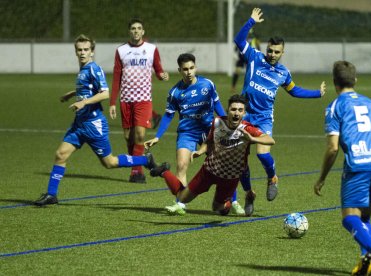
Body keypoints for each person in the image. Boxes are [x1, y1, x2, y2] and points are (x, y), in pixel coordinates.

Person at [34, 34, 158, 207]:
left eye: (86, 49)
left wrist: (84, 102)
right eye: (79, 50)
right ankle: (51, 194)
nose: (83, 53)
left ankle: (145, 160)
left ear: (92, 52)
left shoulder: (93, 68)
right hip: (79, 124)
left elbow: (105, 93)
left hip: (94, 125)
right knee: (60, 154)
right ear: (76, 52)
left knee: (110, 162)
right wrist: (72, 94)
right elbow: (88, 89)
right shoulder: (83, 70)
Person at [234, 8, 327, 216]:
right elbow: (238, 40)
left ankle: (272, 177)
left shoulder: (283, 73)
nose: (272, 54)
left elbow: (294, 91)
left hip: (264, 118)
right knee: (239, 163)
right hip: (244, 116)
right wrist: (250, 22)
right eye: (270, 50)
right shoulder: (254, 57)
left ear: (282, 53)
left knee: (262, 153)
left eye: (277, 52)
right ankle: (249, 194)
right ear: (266, 49)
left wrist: (317, 94)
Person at [314, 61, 371, 275]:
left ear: (334, 83)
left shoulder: (335, 106)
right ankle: (366, 261)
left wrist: (321, 178)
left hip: (359, 165)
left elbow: (333, 148)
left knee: (350, 218)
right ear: (355, 80)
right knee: (364, 218)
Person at [144, 53, 245, 216]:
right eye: (185, 69)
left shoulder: (207, 84)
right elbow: (169, 115)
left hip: (209, 129)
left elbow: (217, 105)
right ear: (180, 70)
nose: (189, 72)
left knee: (225, 166)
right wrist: (158, 136)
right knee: (182, 166)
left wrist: (226, 124)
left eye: (191, 68)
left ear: (195, 67)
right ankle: (180, 204)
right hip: (187, 132)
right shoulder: (175, 92)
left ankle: (232, 201)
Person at [149, 94, 275, 215]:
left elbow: (270, 140)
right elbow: (209, 141)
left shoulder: (247, 129)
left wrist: (253, 139)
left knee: (216, 207)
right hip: (209, 171)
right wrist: (200, 151)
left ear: (244, 113)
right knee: (182, 198)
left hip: (230, 177)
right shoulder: (217, 122)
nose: (236, 113)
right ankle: (164, 171)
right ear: (227, 111)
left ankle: (229, 204)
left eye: (240, 110)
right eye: (233, 109)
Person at [110, 17, 169, 183]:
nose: (136, 31)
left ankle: (137, 172)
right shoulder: (121, 50)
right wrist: (112, 102)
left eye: (139, 28)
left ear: (143, 31)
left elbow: (158, 70)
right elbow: (116, 77)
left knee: (140, 136)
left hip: (144, 100)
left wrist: (162, 75)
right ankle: (137, 165)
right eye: (133, 28)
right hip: (126, 100)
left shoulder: (151, 49)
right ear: (129, 31)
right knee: (128, 137)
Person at [231, 29, 260, 93]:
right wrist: (235, 54)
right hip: (241, 57)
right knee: (237, 71)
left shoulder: (255, 40)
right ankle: (233, 86)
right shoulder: (242, 38)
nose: (248, 35)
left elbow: (258, 48)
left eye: (250, 33)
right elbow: (237, 46)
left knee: (251, 73)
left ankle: (252, 87)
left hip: (250, 57)